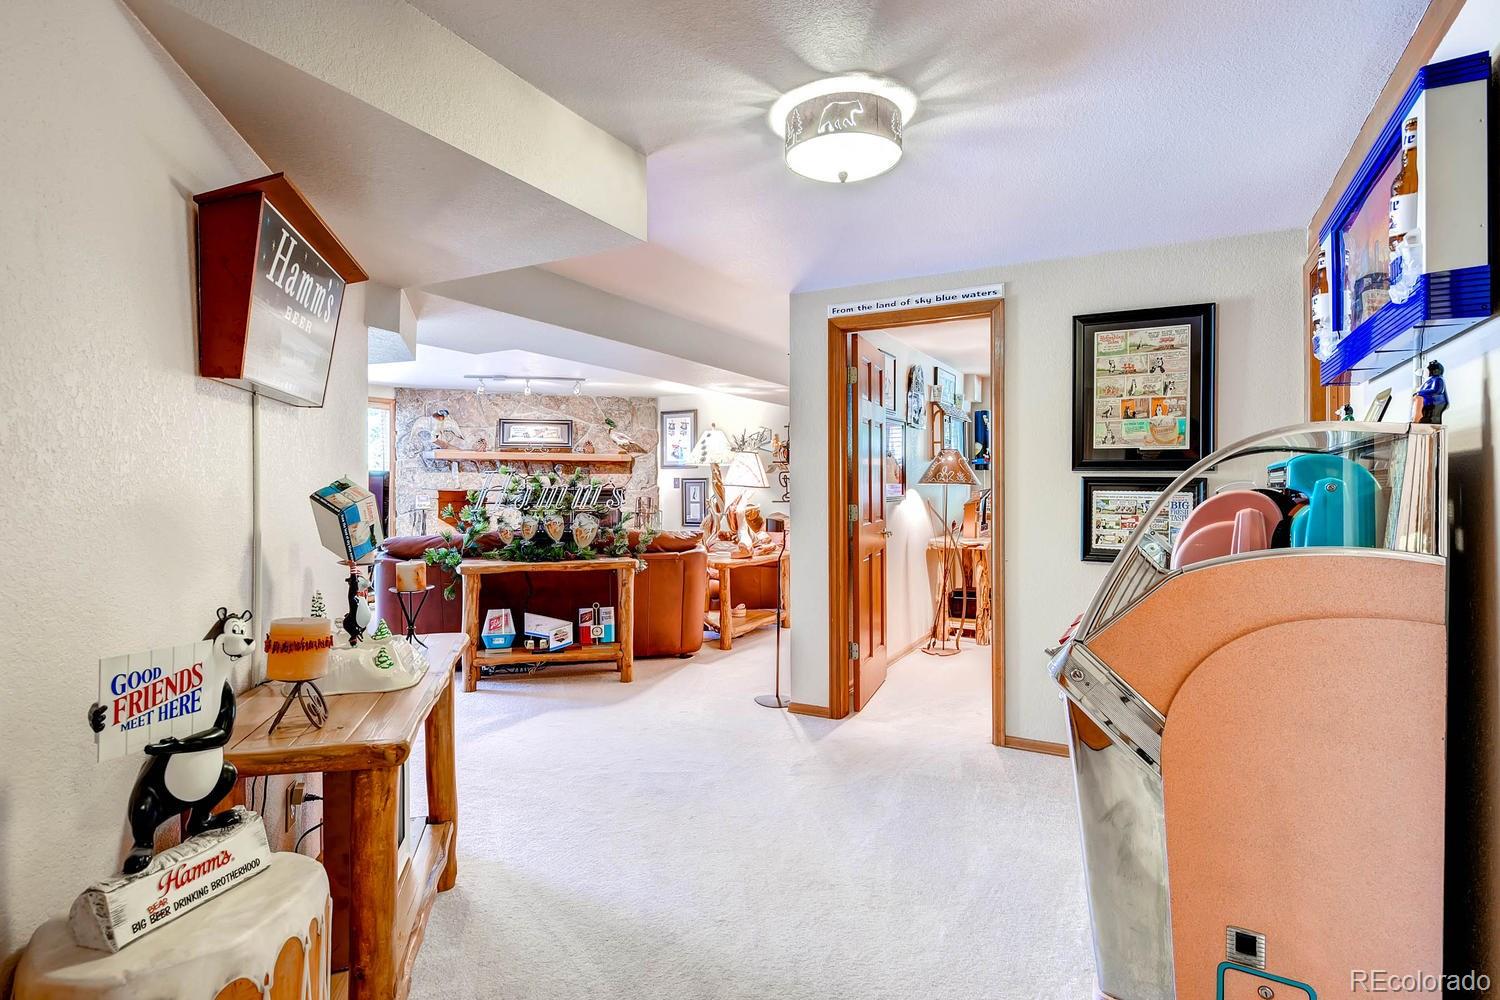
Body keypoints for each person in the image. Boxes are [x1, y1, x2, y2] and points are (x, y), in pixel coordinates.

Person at [1412, 359, 1449, 425]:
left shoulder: (1438, 379)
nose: (1424, 372)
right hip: (1427, 405)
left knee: (1432, 421)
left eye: (1427, 370)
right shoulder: (1429, 380)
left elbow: (1437, 390)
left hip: (1435, 404)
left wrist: (1420, 392)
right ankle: (1418, 420)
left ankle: (1417, 420)